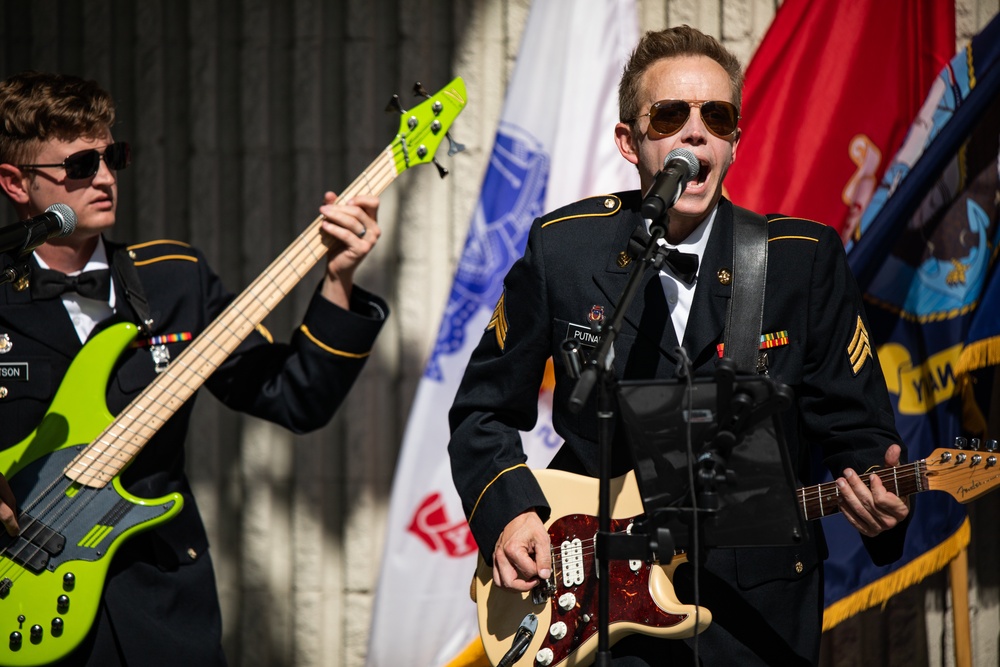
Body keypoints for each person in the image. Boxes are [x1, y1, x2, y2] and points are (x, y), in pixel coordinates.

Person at [448, 26, 909, 665]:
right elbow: (483, 411)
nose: (695, 132)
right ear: (628, 142)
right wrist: (509, 512)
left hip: (756, 617)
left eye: (715, 117)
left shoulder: (800, 261)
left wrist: (882, 495)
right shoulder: (564, 251)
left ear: (733, 142)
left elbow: (858, 431)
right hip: (598, 610)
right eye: (669, 116)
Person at [0, 71, 388, 665]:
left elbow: (295, 398)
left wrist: (338, 278)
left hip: (161, 608)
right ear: (15, 183)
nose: (105, 179)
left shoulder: (174, 278)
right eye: (80, 166)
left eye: (112, 157)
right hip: (21, 601)